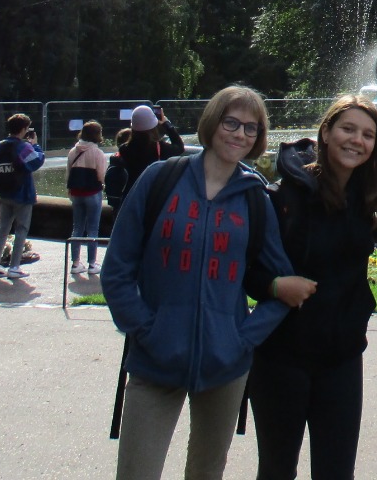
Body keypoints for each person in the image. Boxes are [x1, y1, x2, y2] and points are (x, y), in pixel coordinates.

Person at [102, 85, 295, 480]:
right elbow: (117, 267)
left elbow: (282, 281)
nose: (239, 134)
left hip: (225, 366)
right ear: (212, 123)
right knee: (136, 473)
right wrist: (145, 327)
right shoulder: (161, 179)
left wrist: (242, 338)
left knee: (206, 473)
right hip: (155, 359)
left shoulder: (255, 198)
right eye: (231, 123)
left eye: (251, 129)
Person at [246, 94, 377, 480]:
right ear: (325, 132)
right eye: (347, 129)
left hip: (341, 358)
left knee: (336, 472)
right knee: (277, 471)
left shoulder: (365, 193)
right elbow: (246, 268)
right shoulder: (284, 195)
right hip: (282, 356)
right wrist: (276, 286)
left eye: (367, 134)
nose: (356, 140)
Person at [0, 113, 45, 279]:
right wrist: (36, 146)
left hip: (4, 192)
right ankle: (14, 266)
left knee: (2, 228)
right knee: (21, 229)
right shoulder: (23, 147)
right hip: (22, 193)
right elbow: (36, 162)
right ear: (25, 129)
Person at [66, 120, 108, 274]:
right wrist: (103, 186)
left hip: (76, 193)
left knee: (77, 227)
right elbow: (102, 175)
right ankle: (92, 264)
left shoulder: (73, 151)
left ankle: (75, 263)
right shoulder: (98, 153)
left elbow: (68, 173)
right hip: (92, 193)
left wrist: (69, 189)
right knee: (92, 229)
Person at [122, 104, 185, 192]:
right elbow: (180, 147)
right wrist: (167, 124)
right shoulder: (160, 148)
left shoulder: (124, 149)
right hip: (152, 193)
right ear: (153, 126)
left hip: (132, 192)